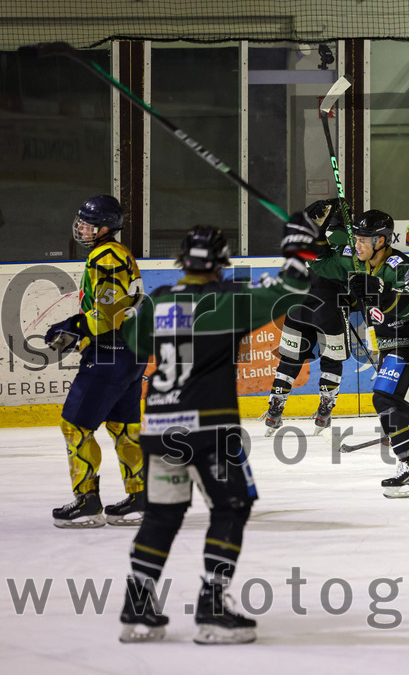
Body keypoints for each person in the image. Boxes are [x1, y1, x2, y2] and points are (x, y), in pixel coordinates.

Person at [117, 217, 317, 644]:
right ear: (221, 263)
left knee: (162, 514)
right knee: (231, 507)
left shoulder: (157, 300)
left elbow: (133, 340)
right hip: (209, 430)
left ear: (183, 260)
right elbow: (289, 292)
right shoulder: (227, 300)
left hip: (160, 428)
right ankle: (212, 606)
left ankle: (138, 606)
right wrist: (299, 251)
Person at [311, 210, 409, 498]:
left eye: (362, 240)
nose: (356, 245)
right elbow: (321, 265)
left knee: (385, 398)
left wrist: (380, 291)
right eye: (355, 239)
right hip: (390, 344)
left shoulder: (400, 267)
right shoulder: (356, 261)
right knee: (403, 403)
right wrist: (318, 235)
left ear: (381, 241)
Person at [45, 195, 146, 529]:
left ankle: (88, 503)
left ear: (105, 227)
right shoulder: (115, 253)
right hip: (129, 353)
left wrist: (72, 325)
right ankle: (139, 499)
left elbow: (108, 316)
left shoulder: (106, 257)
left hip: (110, 356)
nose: (81, 227)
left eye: (88, 223)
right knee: (124, 428)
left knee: (75, 426)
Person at [264, 199, 353, 437]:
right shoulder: (347, 240)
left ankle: (275, 409)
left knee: (291, 359)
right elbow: (349, 274)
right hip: (328, 309)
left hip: (296, 307)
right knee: (331, 360)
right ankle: (324, 411)